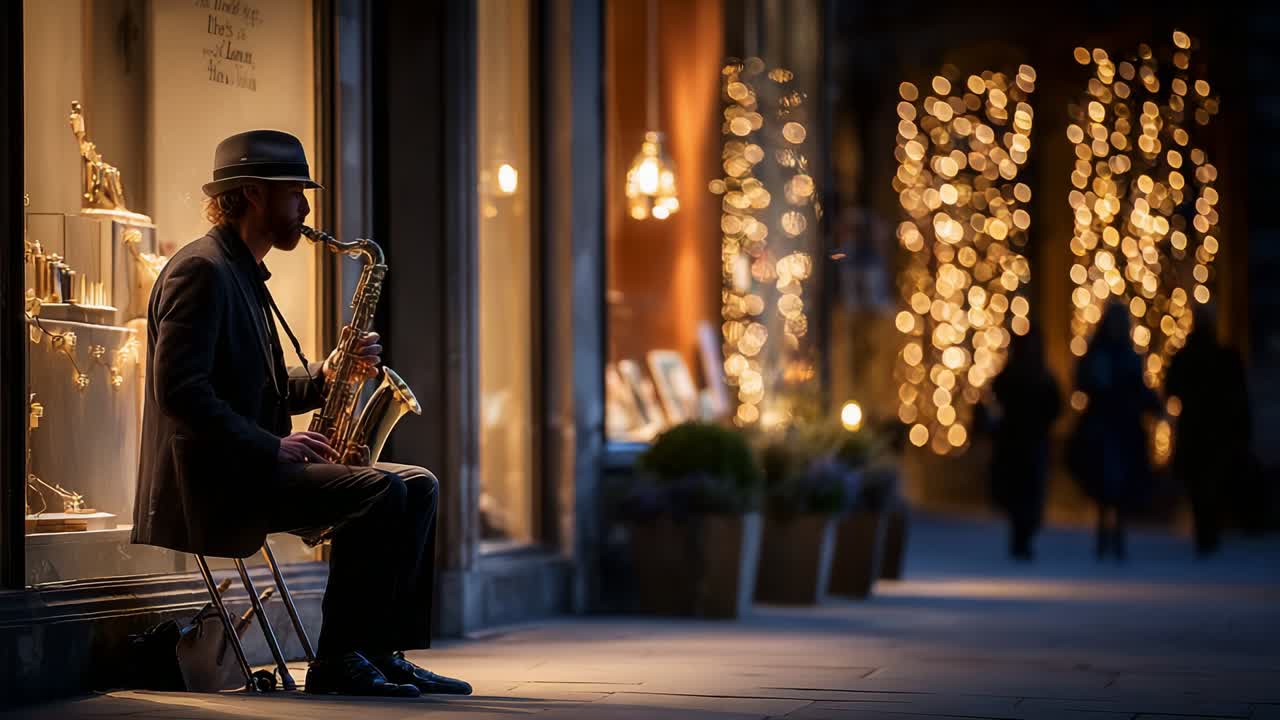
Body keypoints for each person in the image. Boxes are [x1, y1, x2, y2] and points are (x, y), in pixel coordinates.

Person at [131, 130, 471, 698]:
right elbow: (180, 392)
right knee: (382, 492)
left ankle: (382, 650)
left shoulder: (241, 272)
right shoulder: (202, 271)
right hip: (218, 481)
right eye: (295, 193)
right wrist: (272, 446)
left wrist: (328, 374)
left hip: (252, 468)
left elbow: (259, 388)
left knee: (419, 484)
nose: (307, 209)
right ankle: (338, 659)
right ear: (254, 194)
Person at [1067, 302, 1160, 561]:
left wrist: (1151, 404)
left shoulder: (1128, 357)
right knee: (1104, 486)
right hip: (1102, 429)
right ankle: (1104, 537)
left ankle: (1117, 537)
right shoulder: (1099, 355)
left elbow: (1139, 389)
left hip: (1124, 429)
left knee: (1119, 488)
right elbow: (1082, 381)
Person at [1164, 304, 1252, 556]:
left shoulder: (1187, 356)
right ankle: (1209, 533)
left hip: (1197, 434)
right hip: (1217, 436)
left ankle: (1206, 533)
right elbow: (1239, 399)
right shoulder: (1225, 357)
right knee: (1211, 485)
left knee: (1200, 488)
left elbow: (1171, 390)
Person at [988, 328, 1061, 561]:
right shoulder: (1014, 374)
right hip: (1015, 441)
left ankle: (1025, 535)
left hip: (1033, 440)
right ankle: (1020, 536)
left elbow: (1055, 405)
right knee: (1019, 492)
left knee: (1031, 492)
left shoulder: (1043, 376)